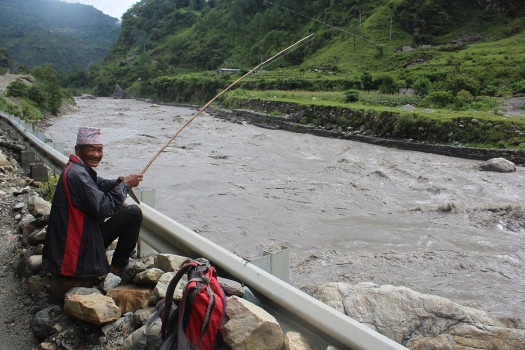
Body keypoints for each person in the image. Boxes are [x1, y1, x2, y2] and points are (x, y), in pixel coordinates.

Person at [43, 127, 143, 277]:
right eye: (91, 150)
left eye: (99, 150)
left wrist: (118, 182)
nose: (96, 155)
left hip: (78, 240)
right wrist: (125, 185)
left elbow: (97, 184)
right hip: (78, 251)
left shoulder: (76, 169)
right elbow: (104, 208)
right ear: (78, 150)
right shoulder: (78, 175)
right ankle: (116, 268)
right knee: (134, 213)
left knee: (131, 212)